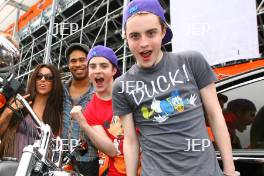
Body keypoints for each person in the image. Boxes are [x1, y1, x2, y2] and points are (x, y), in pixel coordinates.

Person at [112, 0, 238, 175]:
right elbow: (131, 141)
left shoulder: (192, 61)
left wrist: (230, 169)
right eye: (135, 36)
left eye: (151, 33)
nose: (143, 43)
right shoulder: (121, 86)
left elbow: (215, 114)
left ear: (163, 31)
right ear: (125, 36)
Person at [71, 45, 132, 176]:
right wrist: (84, 124)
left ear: (114, 70)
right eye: (92, 66)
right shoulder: (90, 110)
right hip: (119, 171)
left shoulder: (130, 93)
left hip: (150, 166)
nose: (97, 71)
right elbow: (111, 151)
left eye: (104, 66)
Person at [0, 64, 63, 160]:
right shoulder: (19, 100)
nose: (43, 80)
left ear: (55, 82)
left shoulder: (56, 117)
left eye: (49, 77)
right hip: (11, 160)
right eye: (39, 76)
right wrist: (8, 111)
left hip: (35, 167)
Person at [62, 43, 99, 176]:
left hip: (89, 158)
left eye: (82, 60)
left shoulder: (98, 91)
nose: (78, 64)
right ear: (68, 64)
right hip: (62, 156)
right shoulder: (60, 90)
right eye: (73, 61)